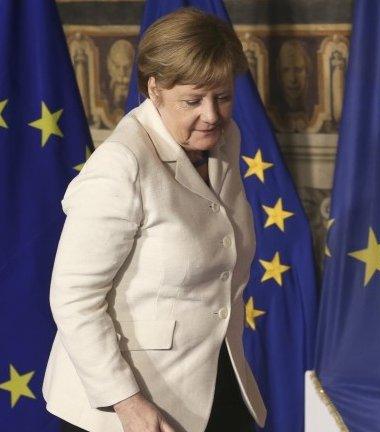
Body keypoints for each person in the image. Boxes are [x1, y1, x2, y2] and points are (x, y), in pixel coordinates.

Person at [42, 8, 266, 432]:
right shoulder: (121, 164)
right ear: (155, 90)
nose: (212, 114)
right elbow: (73, 298)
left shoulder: (224, 141)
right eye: (192, 100)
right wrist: (127, 402)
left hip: (212, 379)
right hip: (126, 406)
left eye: (222, 96)